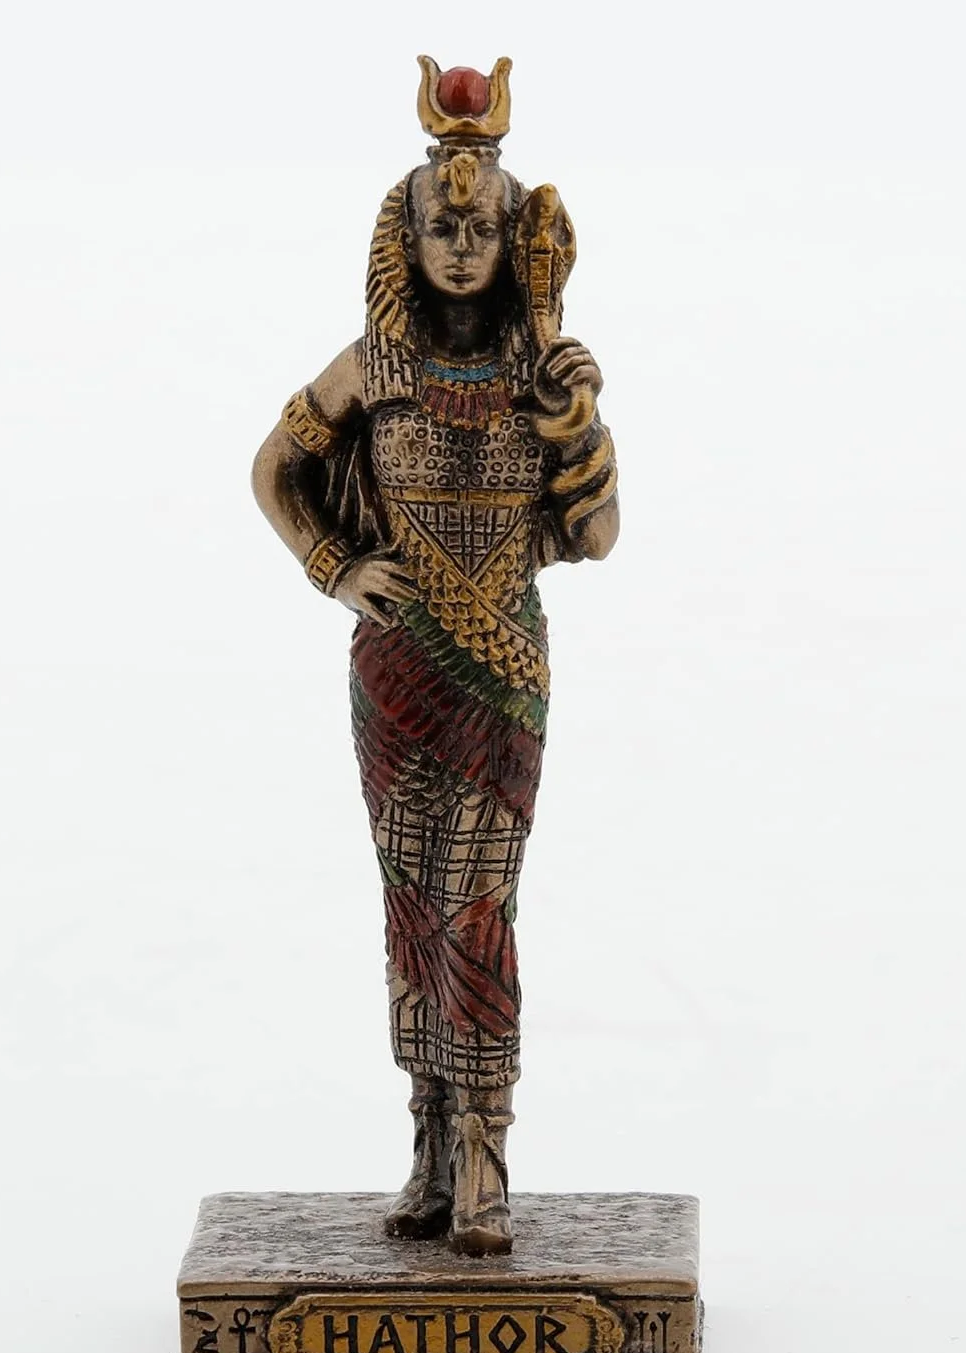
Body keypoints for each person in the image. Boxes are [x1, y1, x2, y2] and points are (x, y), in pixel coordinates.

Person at [251, 57, 618, 1254]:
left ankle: (485, 1151)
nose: (462, 247)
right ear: (402, 241)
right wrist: (334, 564)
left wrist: (575, 425)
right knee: (411, 903)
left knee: (477, 904)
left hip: (501, 678)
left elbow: (598, 534)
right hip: (396, 670)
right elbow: (275, 470)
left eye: (484, 227)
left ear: (518, 243)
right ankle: (428, 1142)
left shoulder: (540, 375)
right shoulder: (373, 369)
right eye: (441, 227)